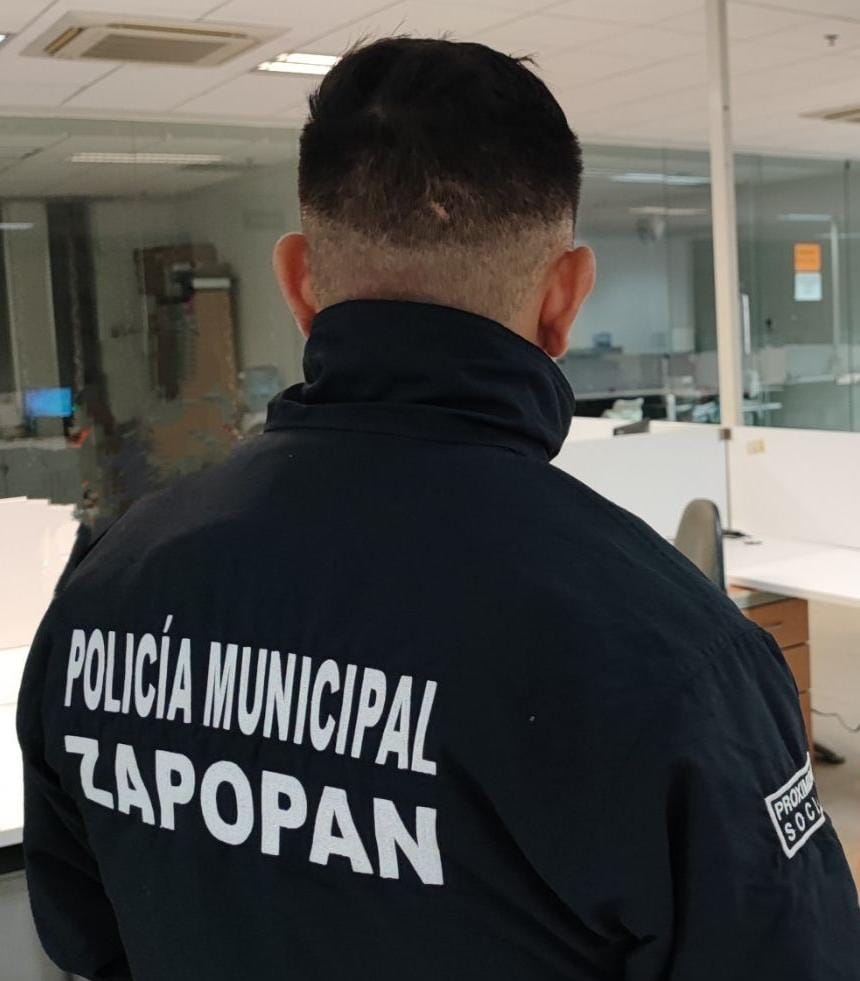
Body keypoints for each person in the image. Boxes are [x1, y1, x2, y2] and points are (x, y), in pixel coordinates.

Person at [17, 37, 860, 981]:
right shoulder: (669, 654)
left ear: (298, 281)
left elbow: (83, 938)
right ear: (566, 297)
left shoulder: (110, 583)